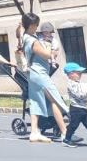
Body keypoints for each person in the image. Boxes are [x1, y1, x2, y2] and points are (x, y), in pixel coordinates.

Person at [21, 13, 68, 143]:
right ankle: (64, 132)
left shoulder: (25, 36)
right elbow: (47, 55)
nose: (38, 28)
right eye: (36, 25)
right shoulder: (33, 40)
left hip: (33, 74)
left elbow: (19, 29)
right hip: (39, 73)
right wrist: (48, 45)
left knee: (35, 102)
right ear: (31, 25)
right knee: (55, 100)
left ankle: (34, 131)